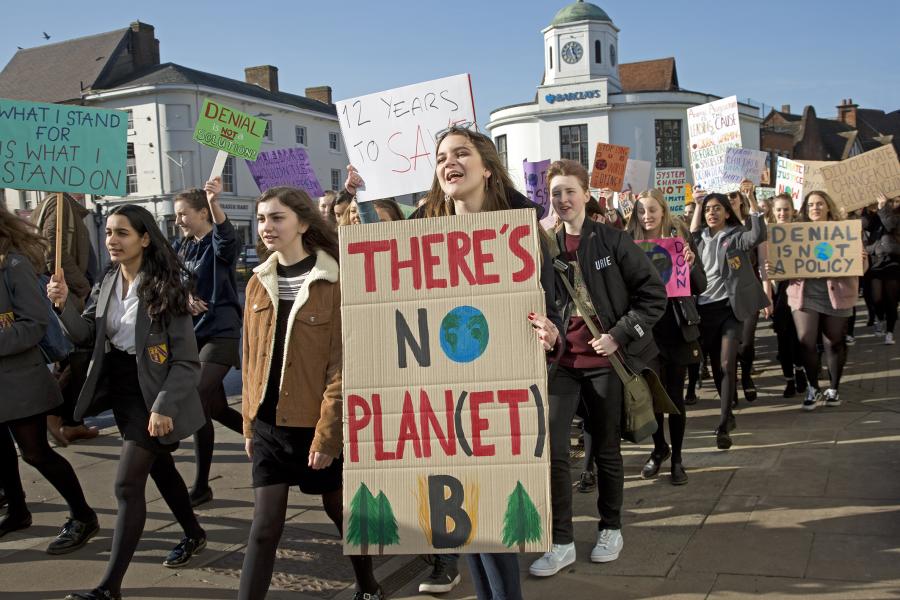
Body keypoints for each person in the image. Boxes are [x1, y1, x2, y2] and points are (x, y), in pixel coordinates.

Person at [405, 126, 560, 599]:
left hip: (499, 389)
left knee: (492, 516)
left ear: (487, 168)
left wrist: (550, 334)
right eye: (440, 157)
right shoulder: (420, 234)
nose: (448, 162)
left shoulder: (523, 234)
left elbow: (549, 307)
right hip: (441, 389)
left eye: (461, 153)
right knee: (466, 517)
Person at [50, 205, 208, 600]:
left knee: (126, 484)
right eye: (108, 233)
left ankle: (108, 589)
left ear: (144, 238)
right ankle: (194, 533)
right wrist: (63, 303)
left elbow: (187, 361)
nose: (112, 241)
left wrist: (164, 406)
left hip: (153, 394)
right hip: (122, 390)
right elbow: (86, 334)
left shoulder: (167, 288)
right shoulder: (105, 281)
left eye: (122, 233)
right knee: (161, 468)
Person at [238, 187, 382, 600]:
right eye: (262, 218)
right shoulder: (256, 283)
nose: (267, 226)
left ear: (302, 223)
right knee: (264, 529)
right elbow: (250, 359)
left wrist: (328, 433)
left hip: (313, 425)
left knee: (340, 514)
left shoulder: (333, 280)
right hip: (267, 426)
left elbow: (342, 365)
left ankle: (368, 586)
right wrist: (249, 422)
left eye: (277, 217)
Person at [529, 160, 666, 578]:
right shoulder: (540, 245)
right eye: (555, 194)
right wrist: (546, 331)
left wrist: (618, 336)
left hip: (606, 364)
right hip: (561, 366)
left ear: (587, 195)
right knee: (553, 452)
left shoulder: (613, 240)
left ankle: (610, 528)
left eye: (570, 191)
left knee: (605, 449)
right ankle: (562, 541)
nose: (563, 200)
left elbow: (653, 297)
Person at [0, 203, 99, 552]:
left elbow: (34, 324)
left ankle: (83, 515)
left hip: (19, 379)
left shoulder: (13, 264)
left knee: (36, 453)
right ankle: (17, 510)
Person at [626, 189, 706, 486]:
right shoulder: (629, 246)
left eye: (651, 210)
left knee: (675, 397)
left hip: (676, 328)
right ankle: (659, 448)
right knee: (652, 397)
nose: (646, 217)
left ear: (663, 211)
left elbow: (701, 286)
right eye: (641, 212)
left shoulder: (680, 240)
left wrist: (690, 261)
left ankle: (678, 459)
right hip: (646, 331)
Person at [173, 178, 244, 507]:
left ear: (202, 213)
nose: (178, 221)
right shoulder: (182, 247)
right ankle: (271, 440)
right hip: (193, 334)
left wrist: (216, 203)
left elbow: (228, 242)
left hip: (221, 332)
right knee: (214, 408)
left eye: (183, 214)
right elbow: (169, 283)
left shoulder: (217, 241)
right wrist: (184, 296)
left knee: (196, 396)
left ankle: (200, 486)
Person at [690, 193, 768, 449]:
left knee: (726, 361)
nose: (711, 213)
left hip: (730, 309)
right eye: (708, 209)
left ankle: (723, 423)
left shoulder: (736, 234)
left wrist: (752, 202)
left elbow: (756, 236)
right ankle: (729, 412)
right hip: (705, 310)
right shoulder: (698, 238)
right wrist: (698, 205)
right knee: (716, 367)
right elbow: (688, 238)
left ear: (726, 212)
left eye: (717, 209)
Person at [787, 191, 868, 411]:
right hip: (805, 294)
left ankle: (833, 388)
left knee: (834, 342)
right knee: (805, 340)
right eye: (811, 204)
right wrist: (775, 267)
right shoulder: (794, 232)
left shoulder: (845, 231)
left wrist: (861, 260)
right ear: (805, 209)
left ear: (828, 207)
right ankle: (813, 387)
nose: (815, 208)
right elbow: (783, 260)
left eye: (820, 204)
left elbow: (862, 265)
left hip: (837, 292)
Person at [32, 192, 99, 446]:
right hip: (66, 292)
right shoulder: (60, 205)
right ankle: (53, 413)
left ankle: (72, 423)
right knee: (80, 353)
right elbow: (52, 248)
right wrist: (81, 287)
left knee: (70, 356)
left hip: (67, 291)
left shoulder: (65, 206)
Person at [763, 195, 807, 397]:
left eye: (786, 209)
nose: (783, 213)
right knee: (783, 337)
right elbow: (764, 270)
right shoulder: (767, 235)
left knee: (798, 336)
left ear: (793, 211)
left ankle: (800, 370)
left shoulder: (802, 232)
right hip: (779, 291)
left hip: (799, 288)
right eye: (779, 210)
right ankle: (789, 379)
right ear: (773, 212)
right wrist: (767, 298)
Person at [727, 190, 764, 404]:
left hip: (748, 291)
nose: (730, 199)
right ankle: (730, 386)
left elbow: (760, 245)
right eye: (727, 195)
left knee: (746, 343)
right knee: (729, 345)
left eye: (734, 195)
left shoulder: (751, 222)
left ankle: (747, 375)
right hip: (725, 294)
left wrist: (752, 200)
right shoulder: (716, 226)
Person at [864, 193, 899, 345]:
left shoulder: (895, 213)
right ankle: (880, 317)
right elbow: (866, 225)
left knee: (891, 300)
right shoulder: (877, 211)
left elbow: (891, 225)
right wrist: (865, 211)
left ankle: (890, 332)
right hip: (875, 261)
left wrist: (883, 208)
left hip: (893, 261)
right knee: (876, 298)